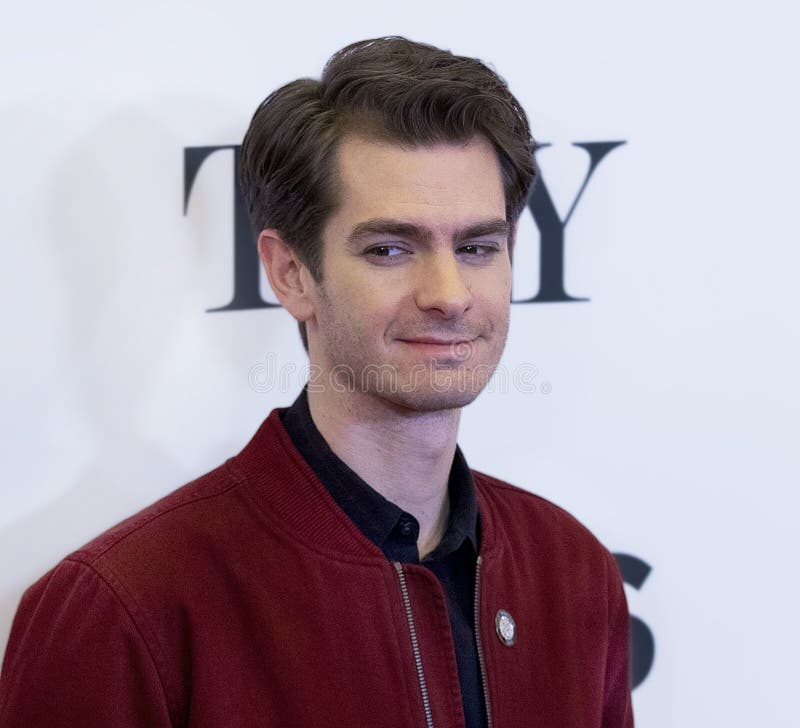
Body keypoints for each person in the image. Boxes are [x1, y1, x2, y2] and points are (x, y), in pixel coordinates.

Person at [0, 37, 633, 727]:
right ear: (290, 273)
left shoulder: (571, 570)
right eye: (390, 249)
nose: (449, 294)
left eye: (478, 247)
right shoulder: (124, 607)